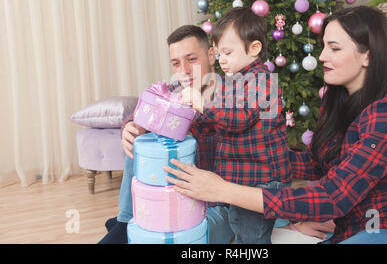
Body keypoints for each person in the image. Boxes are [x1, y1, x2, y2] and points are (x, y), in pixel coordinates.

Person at [165, 6, 387, 244]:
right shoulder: (340, 99)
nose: (321, 57)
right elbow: (319, 164)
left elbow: (333, 197)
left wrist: (224, 189)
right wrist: (262, 161)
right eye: (323, 47)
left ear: (367, 55)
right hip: (351, 229)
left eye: (334, 48)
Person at [99, 24, 331, 243]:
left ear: (211, 55)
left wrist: (293, 219)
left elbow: (269, 163)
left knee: (187, 238)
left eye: (192, 59)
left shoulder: (239, 96)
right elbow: (144, 110)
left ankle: (131, 228)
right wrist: (133, 126)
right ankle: (123, 223)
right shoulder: (173, 95)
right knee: (142, 140)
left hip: (225, 202)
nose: (185, 71)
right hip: (179, 194)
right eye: (176, 64)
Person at [181, 7, 292, 243]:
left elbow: (237, 118)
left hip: (261, 179)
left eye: (228, 52)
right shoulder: (233, 83)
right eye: (219, 53)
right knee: (240, 225)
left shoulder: (262, 81)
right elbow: (215, 122)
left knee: (251, 234)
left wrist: (202, 104)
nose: (221, 60)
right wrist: (188, 118)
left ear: (254, 49)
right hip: (243, 177)